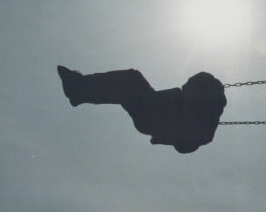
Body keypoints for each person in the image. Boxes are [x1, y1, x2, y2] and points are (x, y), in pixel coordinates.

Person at [57, 65, 226, 153]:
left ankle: (78, 89)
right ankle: (80, 92)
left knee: (130, 81)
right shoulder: (197, 105)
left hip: (153, 117)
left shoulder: (204, 120)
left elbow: (187, 146)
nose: (184, 87)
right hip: (152, 112)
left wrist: (166, 138)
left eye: (188, 85)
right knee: (128, 83)